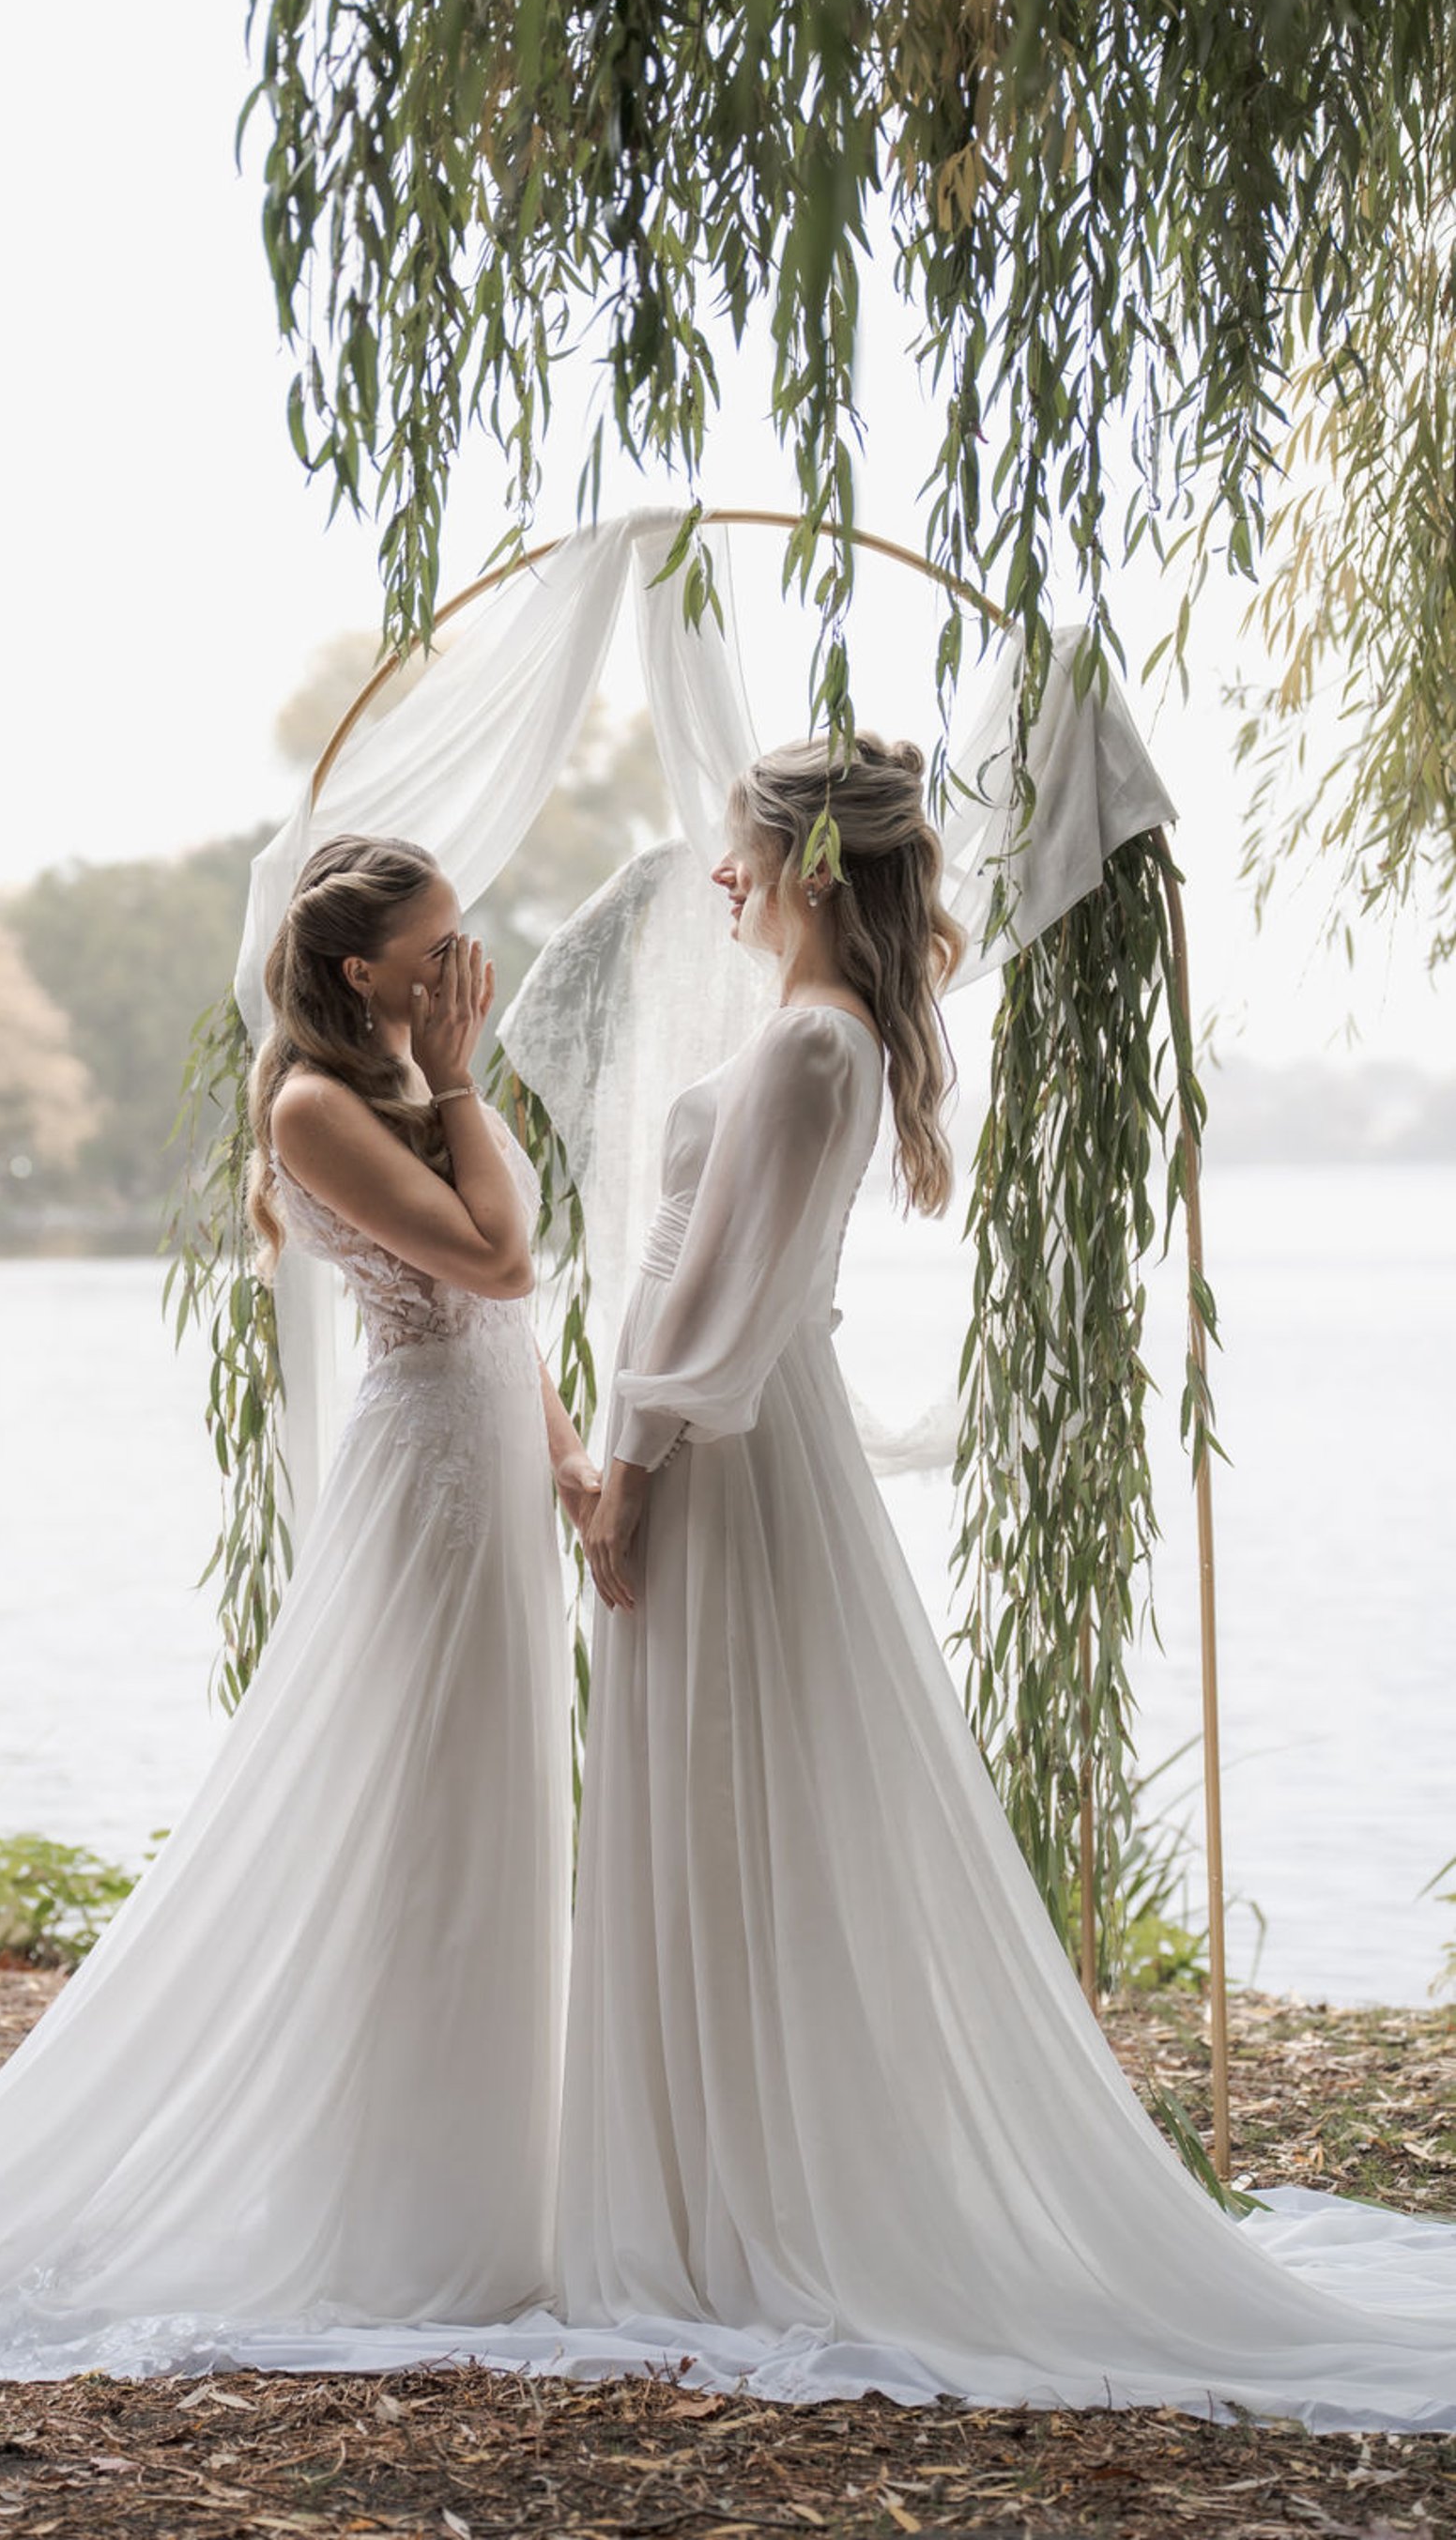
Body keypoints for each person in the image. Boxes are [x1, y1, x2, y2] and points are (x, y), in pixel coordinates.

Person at [561, 736, 1456, 2426]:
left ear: (811, 862)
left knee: (737, 1801)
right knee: (716, 1805)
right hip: (728, 1457)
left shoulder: (814, 1049)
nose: (719, 877)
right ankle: (712, 2176)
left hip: (727, 1475)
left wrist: (632, 1473)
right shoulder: (818, 1036)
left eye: (742, 850)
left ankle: (757, 2200)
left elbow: (722, 1308)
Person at [0, 834, 594, 2388]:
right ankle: (410, 2204)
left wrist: (562, 1459)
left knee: (495, 1803)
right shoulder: (311, 1106)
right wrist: (467, 1077)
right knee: (424, 1812)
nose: (457, 968)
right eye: (433, 949)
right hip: (427, 1485)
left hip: (493, 1467)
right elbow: (497, 1259)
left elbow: (514, 1324)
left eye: (457, 942)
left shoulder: (406, 1086)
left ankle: (505, 2178)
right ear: (359, 974)